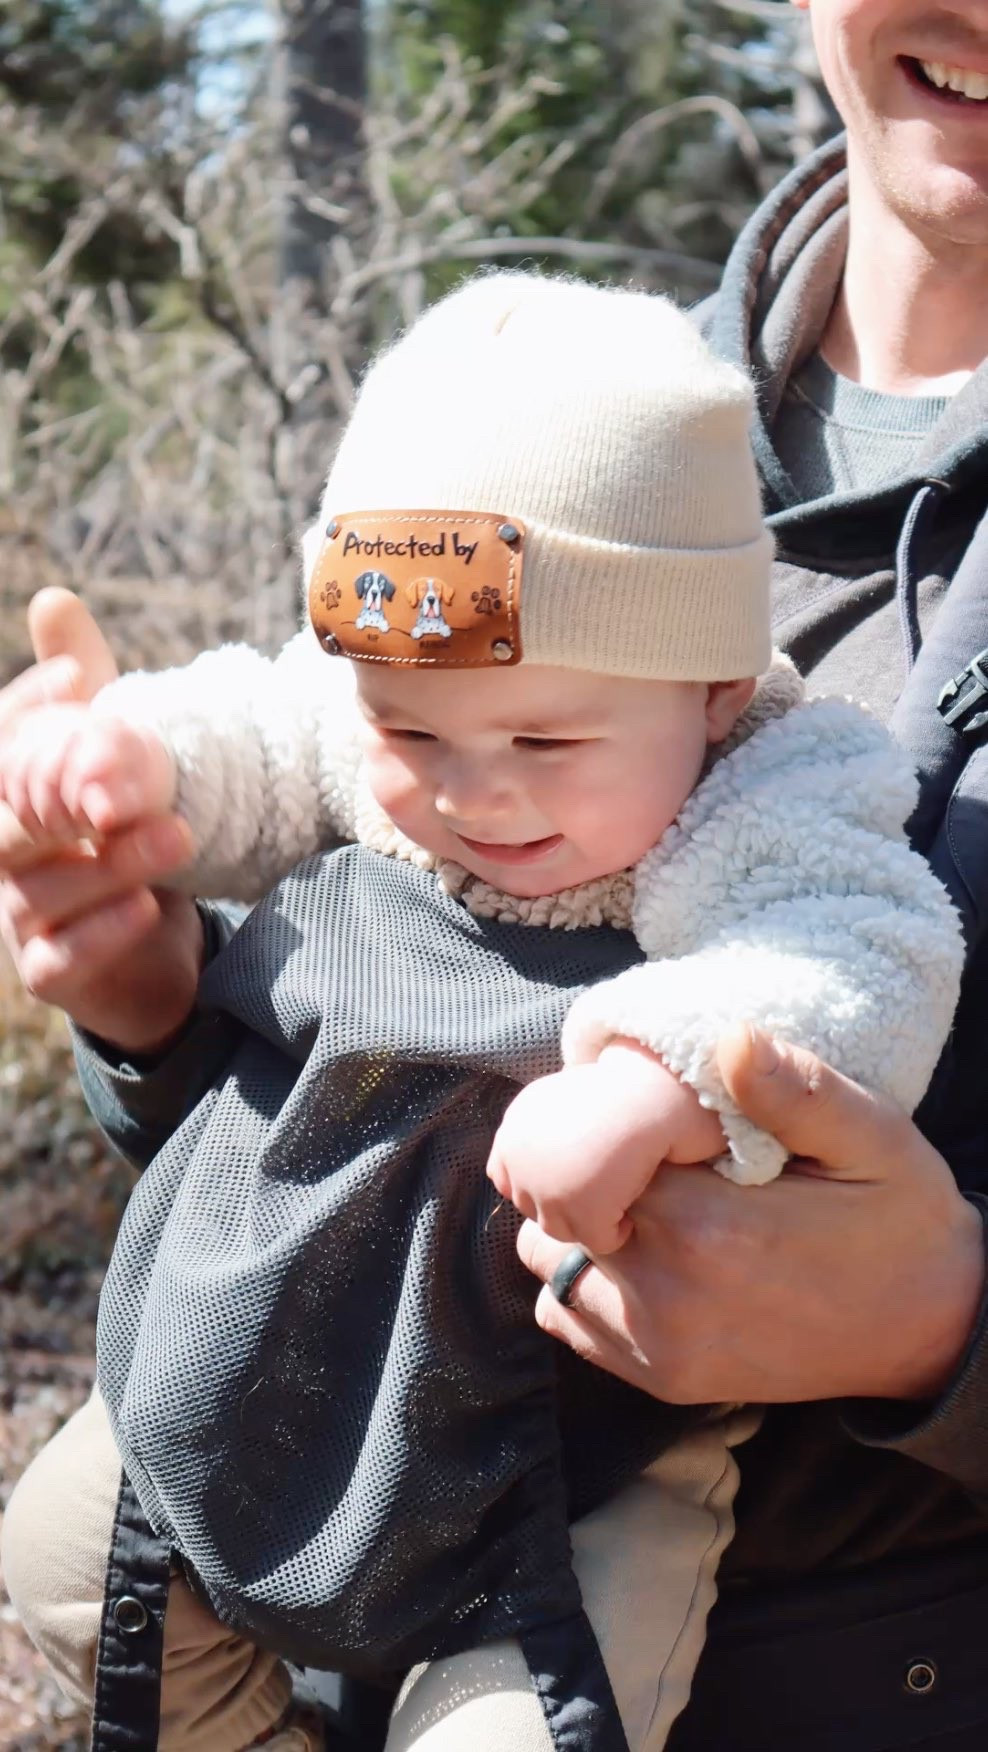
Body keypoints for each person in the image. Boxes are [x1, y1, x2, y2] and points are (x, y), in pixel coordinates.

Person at [2, 0, 988, 1742]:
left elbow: (833, 954)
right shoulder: (552, 453)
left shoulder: (760, 773)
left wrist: (935, 1327)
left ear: (706, 696)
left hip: (608, 1476)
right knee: (82, 1566)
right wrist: (138, 877)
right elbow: (278, 726)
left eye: (542, 749)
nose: (470, 795)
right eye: (420, 740)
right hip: (322, 1359)